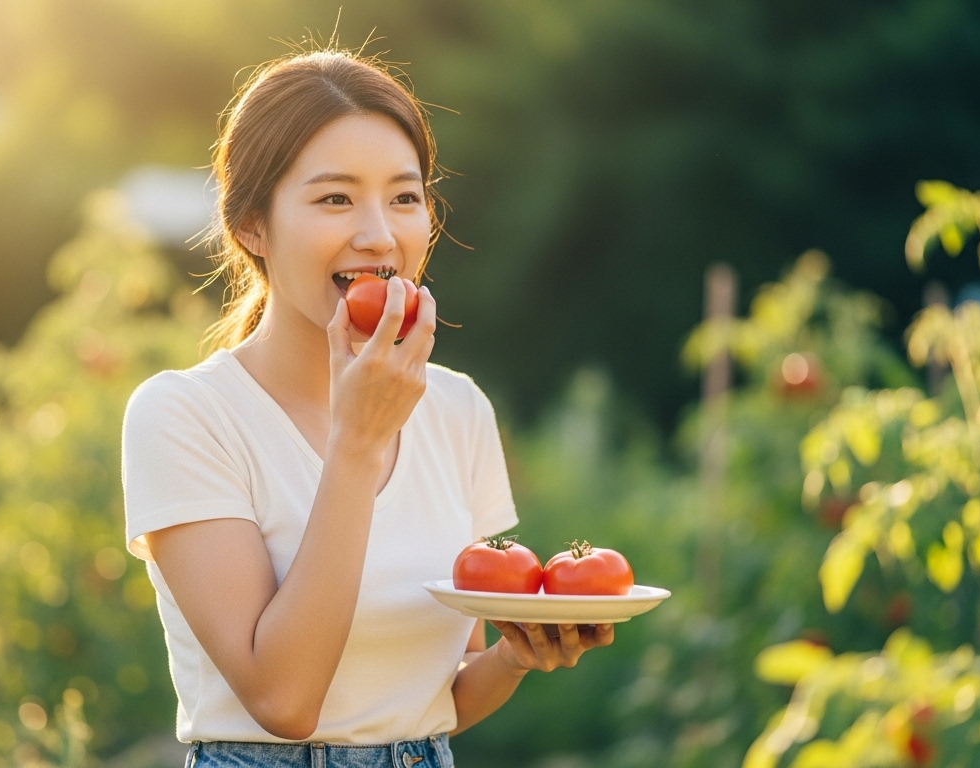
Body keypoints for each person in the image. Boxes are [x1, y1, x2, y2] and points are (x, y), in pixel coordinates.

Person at [121, 48, 613, 768]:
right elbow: (282, 701)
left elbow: (438, 696)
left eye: (405, 197)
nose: (380, 235)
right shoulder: (185, 417)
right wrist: (358, 440)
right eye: (334, 198)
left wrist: (515, 656)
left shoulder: (455, 409)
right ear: (252, 226)